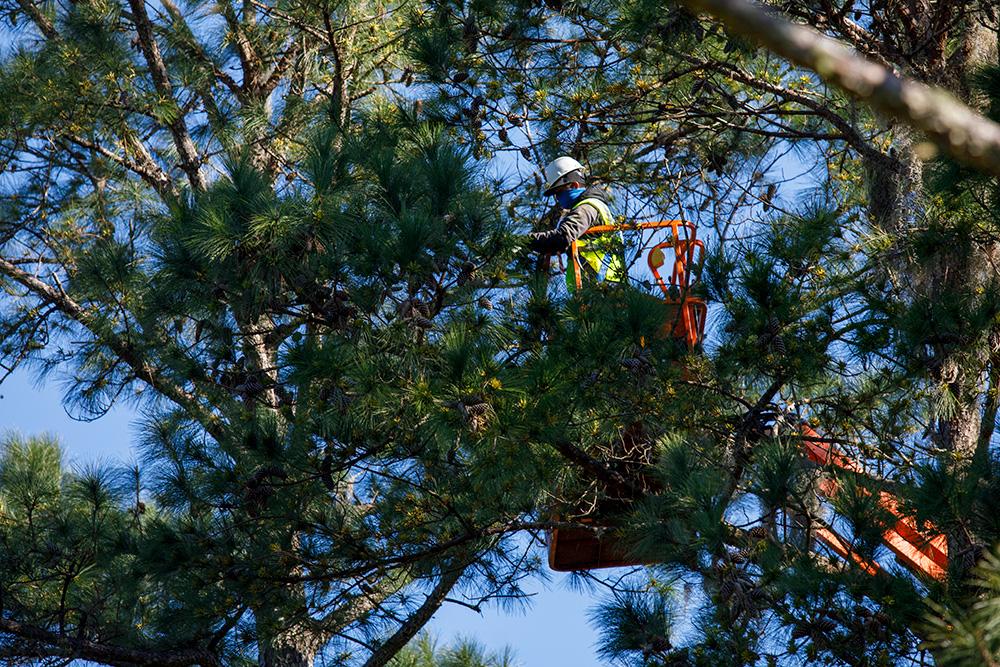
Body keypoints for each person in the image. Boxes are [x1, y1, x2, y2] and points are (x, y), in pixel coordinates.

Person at [526, 157, 625, 290]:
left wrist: (525, 241)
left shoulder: (586, 208)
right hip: (602, 285)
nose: (557, 199)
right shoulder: (592, 206)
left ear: (574, 186)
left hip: (600, 285)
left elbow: (562, 237)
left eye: (559, 193)